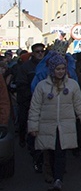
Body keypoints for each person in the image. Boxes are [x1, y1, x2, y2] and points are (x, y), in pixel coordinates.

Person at [28, 54, 81, 191]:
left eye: (63, 68)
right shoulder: (42, 86)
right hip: (47, 126)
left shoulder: (72, 85)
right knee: (49, 152)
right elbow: (35, 107)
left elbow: (79, 105)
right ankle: (52, 174)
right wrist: (33, 126)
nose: (61, 71)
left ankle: (58, 180)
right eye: (58, 69)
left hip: (65, 126)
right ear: (52, 69)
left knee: (60, 153)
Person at [15, 43, 46, 171]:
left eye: (42, 51)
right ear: (32, 53)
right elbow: (21, 85)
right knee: (31, 129)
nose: (40, 53)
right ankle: (35, 156)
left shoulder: (47, 65)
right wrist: (32, 95)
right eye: (37, 51)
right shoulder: (26, 67)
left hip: (46, 104)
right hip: (29, 103)